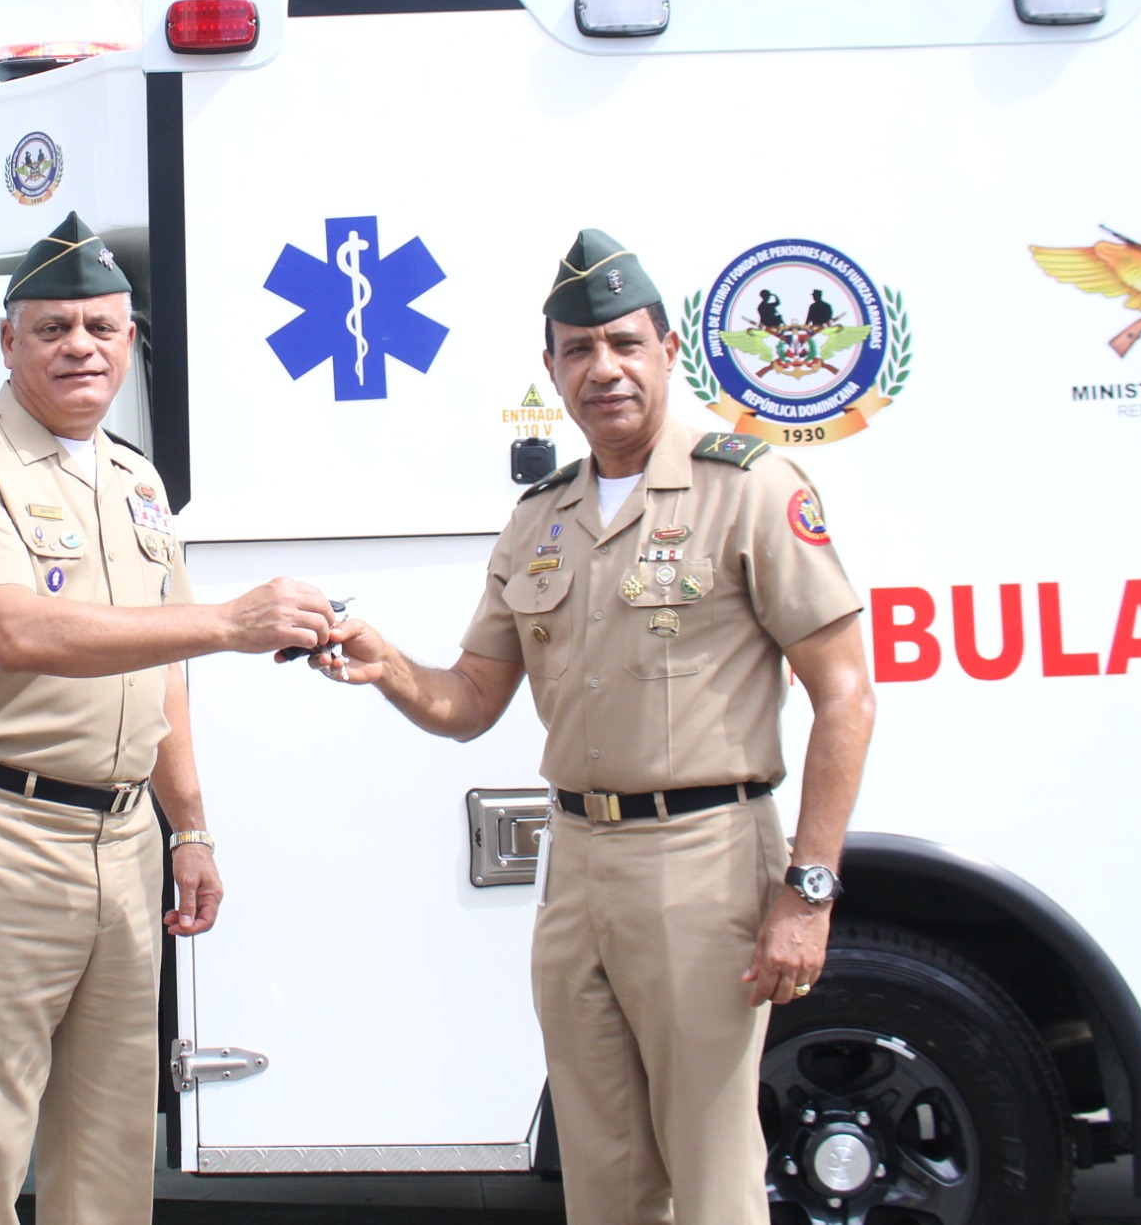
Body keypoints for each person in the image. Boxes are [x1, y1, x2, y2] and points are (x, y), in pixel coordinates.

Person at [311, 228, 876, 1225]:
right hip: (574, 864)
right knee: (604, 1177)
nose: (603, 369)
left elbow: (845, 695)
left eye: (623, 343)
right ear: (552, 369)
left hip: (704, 860)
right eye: (579, 350)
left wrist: (808, 892)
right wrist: (384, 662)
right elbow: (470, 699)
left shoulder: (747, 487)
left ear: (668, 350)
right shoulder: (539, 518)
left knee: (712, 1175)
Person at [0, 210, 338, 1225]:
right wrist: (229, 620)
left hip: (125, 836)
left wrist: (192, 829)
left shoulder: (135, 476)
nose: (80, 346)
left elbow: (161, 664)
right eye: (53, 328)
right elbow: (14, 630)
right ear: (10, 342)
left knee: (110, 1132)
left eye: (101, 326)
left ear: (130, 339)